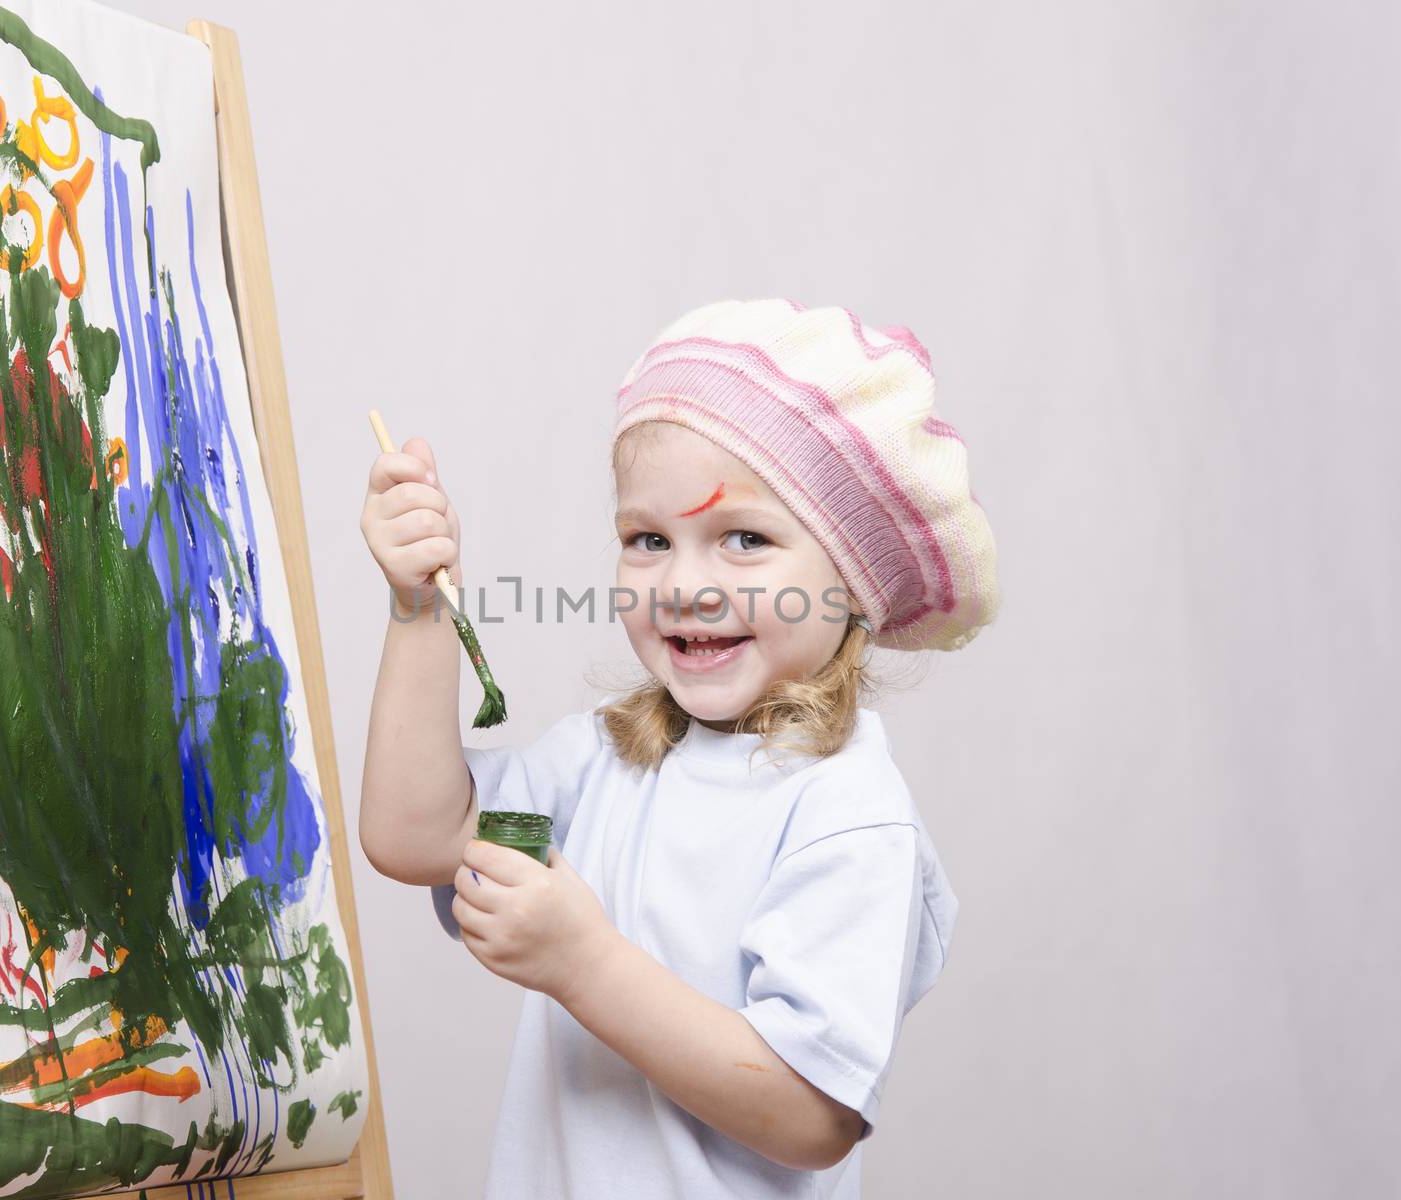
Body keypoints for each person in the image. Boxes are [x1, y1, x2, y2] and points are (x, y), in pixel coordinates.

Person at [358, 298, 1000, 1199]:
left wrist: (587, 966)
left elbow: (814, 1115)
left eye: (745, 539)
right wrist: (421, 606)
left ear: (850, 580)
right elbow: (422, 836)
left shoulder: (844, 815)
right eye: (649, 540)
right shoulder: (601, 766)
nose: (687, 584)